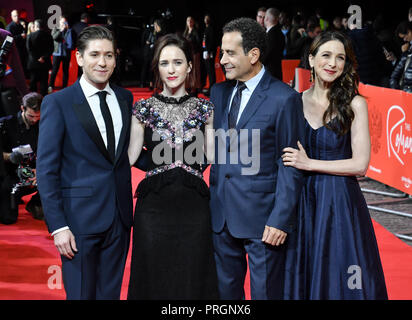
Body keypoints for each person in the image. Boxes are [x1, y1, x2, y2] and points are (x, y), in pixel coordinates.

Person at [282, 31, 388, 300]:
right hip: (303, 201)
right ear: (312, 58)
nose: (332, 63)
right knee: (304, 271)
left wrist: (309, 163)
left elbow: (360, 164)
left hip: (340, 201)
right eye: (326, 55)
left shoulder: (355, 104)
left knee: (343, 275)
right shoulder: (293, 101)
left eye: (340, 58)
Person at [209, 17, 305, 300]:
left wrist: (280, 219)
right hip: (221, 216)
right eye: (221, 52)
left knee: (265, 293)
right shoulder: (218, 92)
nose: (222, 60)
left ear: (253, 55)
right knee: (226, 295)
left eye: (230, 53)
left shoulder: (284, 98)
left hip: (264, 220)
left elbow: (290, 163)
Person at [36, 25, 134, 300]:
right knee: (80, 295)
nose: (102, 62)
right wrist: (58, 226)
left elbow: (128, 153)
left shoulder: (125, 98)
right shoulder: (59, 103)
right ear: (79, 57)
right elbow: (46, 169)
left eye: (109, 55)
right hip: (77, 221)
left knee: (109, 294)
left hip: (119, 217)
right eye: (94, 55)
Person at [127, 33, 218, 300]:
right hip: (153, 207)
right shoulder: (142, 108)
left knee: (192, 272)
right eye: (164, 63)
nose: (171, 69)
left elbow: (212, 155)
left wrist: (187, 165)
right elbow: (131, 156)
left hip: (194, 207)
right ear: (157, 67)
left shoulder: (205, 108)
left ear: (189, 66)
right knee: (154, 273)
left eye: (178, 62)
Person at [0, 92, 43, 224]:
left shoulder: (43, 125)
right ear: (22, 108)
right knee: (8, 218)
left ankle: (35, 203)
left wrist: (40, 171)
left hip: (34, 171)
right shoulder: (5, 125)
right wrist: (9, 156)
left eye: (38, 116)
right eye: (31, 116)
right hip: (10, 173)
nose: (34, 120)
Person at [26, 19, 53, 96]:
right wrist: (43, 58)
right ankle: (44, 100)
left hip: (34, 63)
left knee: (33, 82)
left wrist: (37, 58)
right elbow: (51, 49)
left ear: (36, 26)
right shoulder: (48, 35)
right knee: (44, 82)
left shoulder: (30, 36)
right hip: (45, 63)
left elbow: (29, 49)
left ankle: (33, 100)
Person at [48, 15, 74, 92]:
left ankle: (64, 86)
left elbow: (71, 41)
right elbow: (53, 37)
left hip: (66, 53)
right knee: (54, 70)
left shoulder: (69, 30)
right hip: (57, 53)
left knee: (65, 70)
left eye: (65, 22)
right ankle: (51, 85)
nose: (64, 23)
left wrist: (67, 30)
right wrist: (61, 31)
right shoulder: (56, 28)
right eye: (62, 22)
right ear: (59, 22)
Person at [263, 8, 285, 80]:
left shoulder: (271, 35)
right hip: (276, 72)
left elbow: (267, 54)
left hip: (269, 74)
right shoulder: (280, 33)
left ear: (266, 18)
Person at [390, 21, 412, 93]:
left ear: (409, 31)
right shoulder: (408, 49)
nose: (405, 40)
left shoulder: (408, 50)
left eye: (405, 37)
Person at [183, 16, 202, 94]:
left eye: (191, 21)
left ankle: (195, 87)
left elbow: (198, 43)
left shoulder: (195, 31)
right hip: (187, 55)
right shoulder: (185, 32)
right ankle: (188, 86)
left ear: (193, 22)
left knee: (194, 71)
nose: (189, 22)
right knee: (188, 71)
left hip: (194, 54)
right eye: (188, 21)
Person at [201, 13, 217, 95]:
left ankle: (212, 88)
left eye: (208, 18)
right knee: (208, 70)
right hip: (205, 51)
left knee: (211, 71)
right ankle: (210, 87)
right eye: (205, 18)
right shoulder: (205, 28)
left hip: (209, 52)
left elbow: (212, 41)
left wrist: (209, 51)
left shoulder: (211, 29)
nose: (206, 20)